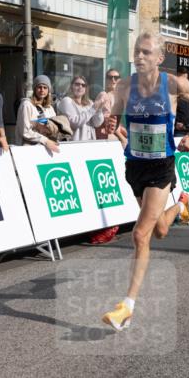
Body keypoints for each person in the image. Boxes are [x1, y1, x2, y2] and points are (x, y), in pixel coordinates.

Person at [100, 31, 189, 332]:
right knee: (159, 230)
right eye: (137, 51)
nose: (140, 56)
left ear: (159, 58)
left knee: (140, 235)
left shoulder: (172, 84)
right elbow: (116, 116)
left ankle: (126, 307)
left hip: (161, 167)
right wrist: (113, 122)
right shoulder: (125, 86)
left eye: (146, 52)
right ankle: (182, 204)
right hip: (135, 166)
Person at [88, 68, 126, 246]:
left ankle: (112, 223)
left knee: (114, 182)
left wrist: (122, 134)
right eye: (110, 77)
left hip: (113, 142)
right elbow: (103, 121)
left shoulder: (119, 98)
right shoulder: (104, 95)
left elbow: (117, 123)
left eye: (116, 77)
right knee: (106, 183)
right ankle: (108, 224)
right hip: (104, 142)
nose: (113, 80)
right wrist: (121, 137)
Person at [15, 75, 60, 153]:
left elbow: (53, 127)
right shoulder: (27, 105)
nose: (42, 90)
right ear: (34, 89)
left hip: (47, 149)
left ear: (49, 90)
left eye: (45, 87)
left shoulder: (49, 108)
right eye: (39, 87)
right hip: (29, 150)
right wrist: (45, 140)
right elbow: (25, 131)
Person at [58, 74, 106, 141]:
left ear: (86, 89)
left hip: (90, 143)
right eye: (77, 84)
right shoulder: (66, 101)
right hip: (75, 144)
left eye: (83, 85)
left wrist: (99, 109)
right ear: (72, 86)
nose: (80, 87)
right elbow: (74, 122)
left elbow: (97, 123)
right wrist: (94, 108)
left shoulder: (89, 103)